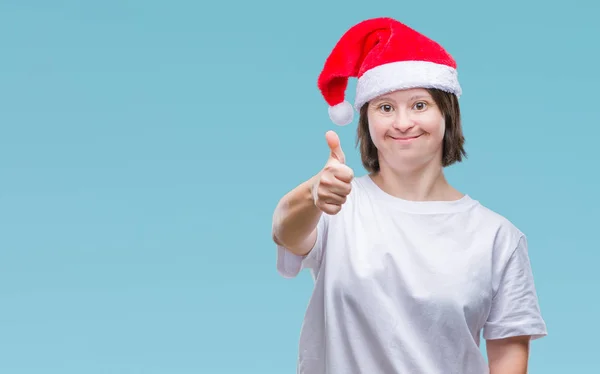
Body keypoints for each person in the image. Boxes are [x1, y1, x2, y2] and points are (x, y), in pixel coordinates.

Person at [271, 17, 547, 374]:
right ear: (366, 121)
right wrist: (312, 194)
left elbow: (509, 358)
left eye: (419, 105)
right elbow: (285, 231)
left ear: (447, 114)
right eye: (385, 107)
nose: (402, 123)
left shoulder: (498, 238)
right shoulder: (338, 204)